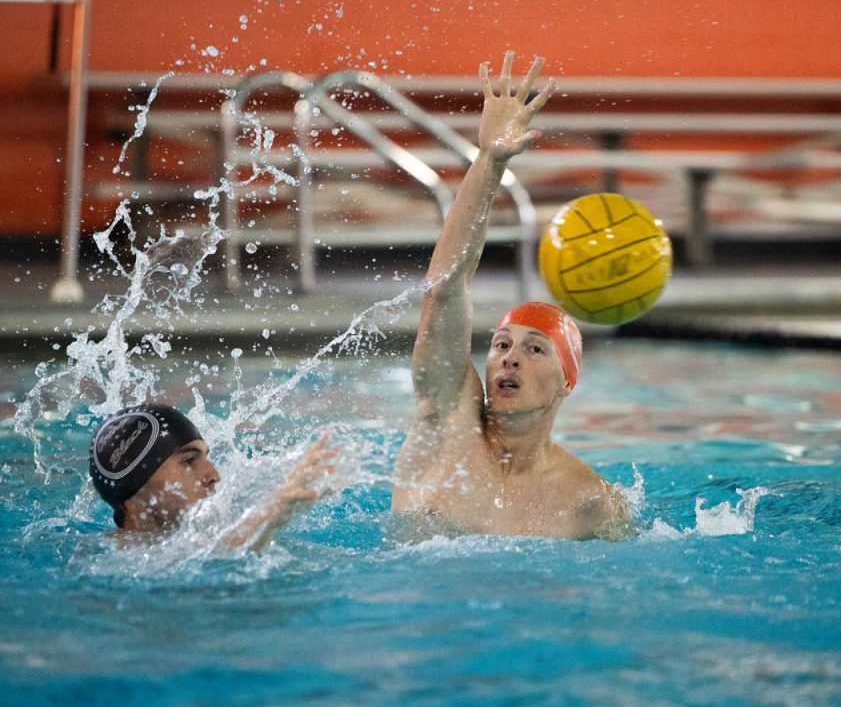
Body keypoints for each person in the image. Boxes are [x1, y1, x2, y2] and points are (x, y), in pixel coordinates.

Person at [390, 52, 631, 541]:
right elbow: (445, 288)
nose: (509, 359)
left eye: (534, 348)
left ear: (567, 382)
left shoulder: (592, 502)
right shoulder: (444, 423)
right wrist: (490, 160)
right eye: (501, 344)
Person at [89, 403, 334, 551]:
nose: (213, 475)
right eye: (188, 461)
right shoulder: (114, 554)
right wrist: (272, 514)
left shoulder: (198, 536)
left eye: (206, 458)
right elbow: (224, 555)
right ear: (135, 490)